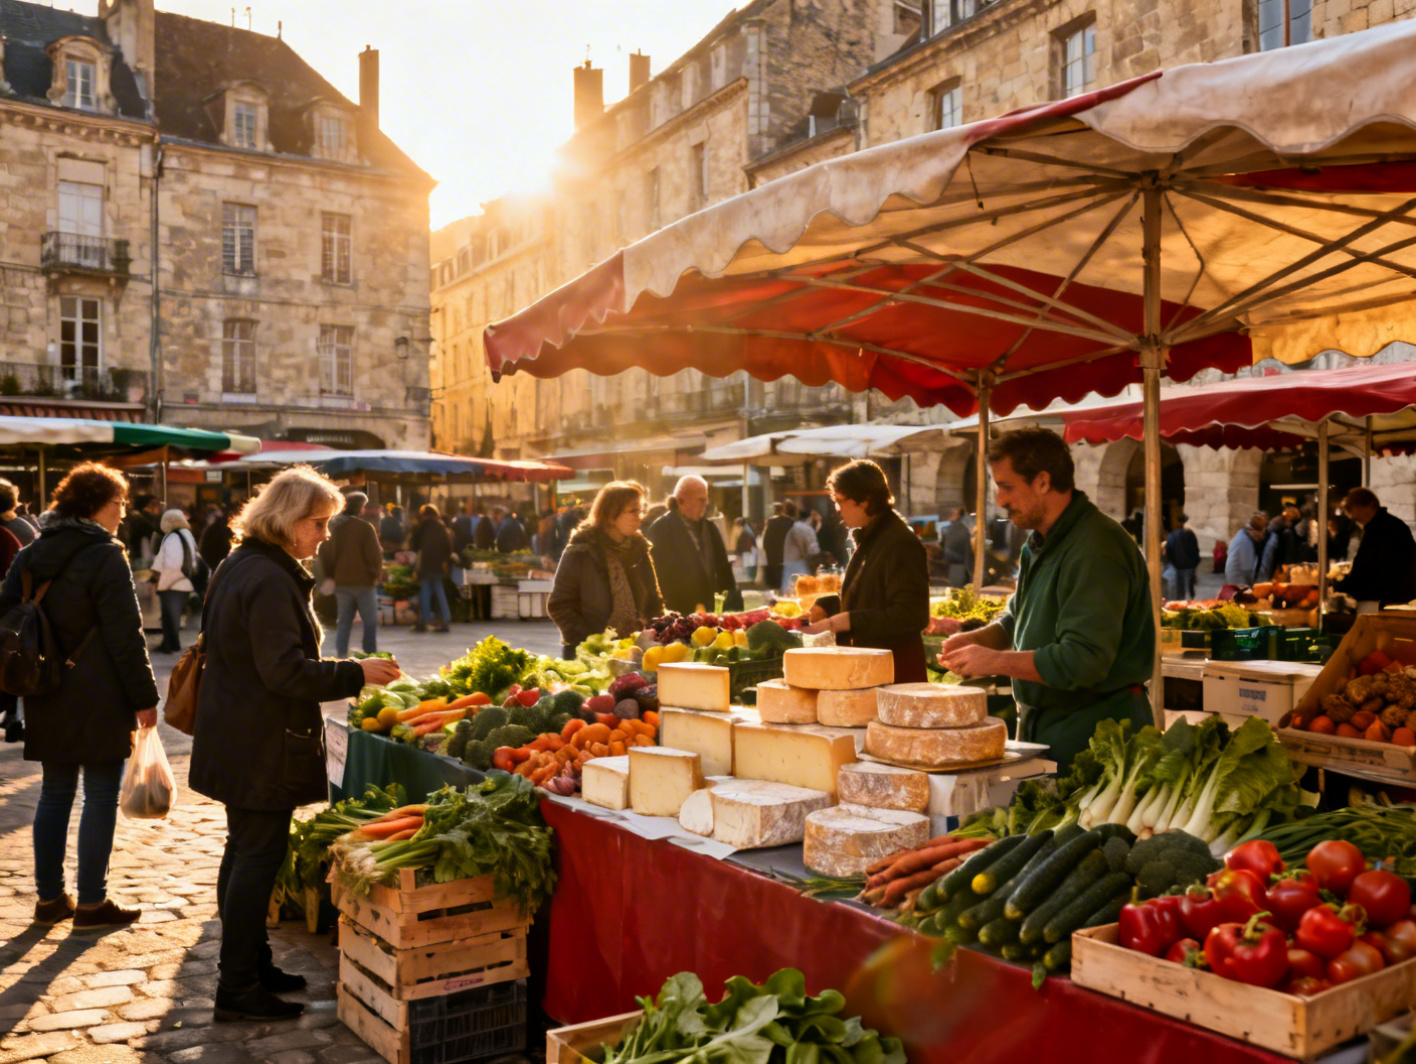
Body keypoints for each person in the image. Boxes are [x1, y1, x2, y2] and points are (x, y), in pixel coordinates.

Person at [189, 466, 400, 1021]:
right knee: (255, 858)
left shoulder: (247, 563)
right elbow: (284, 671)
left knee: (244, 854)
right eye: (318, 523)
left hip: (240, 732)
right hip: (258, 740)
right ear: (286, 520)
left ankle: (251, 965)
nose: (325, 535)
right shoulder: (265, 576)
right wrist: (355, 672)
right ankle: (237, 987)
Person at [0, 463, 158, 929]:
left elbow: (7, 610)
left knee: (54, 793)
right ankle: (91, 902)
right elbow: (126, 635)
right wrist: (145, 696)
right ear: (93, 506)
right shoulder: (106, 556)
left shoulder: (32, 552)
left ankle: (50, 899)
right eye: (118, 503)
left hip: (45, 687)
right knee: (101, 793)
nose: (123, 512)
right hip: (100, 690)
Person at [938, 428, 1154, 769]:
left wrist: (993, 662)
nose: (1000, 500)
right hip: (1049, 728)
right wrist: (978, 639)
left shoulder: (1096, 548)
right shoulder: (1039, 542)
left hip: (1098, 736)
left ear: (1042, 481)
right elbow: (1017, 617)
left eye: (1007, 487)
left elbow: (1082, 660)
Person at [802, 460, 930, 683]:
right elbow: (868, 596)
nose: (837, 508)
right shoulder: (871, 537)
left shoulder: (900, 543)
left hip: (896, 675)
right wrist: (829, 605)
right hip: (871, 670)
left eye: (841, 500)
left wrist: (842, 622)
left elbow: (911, 615)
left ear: (865, 500)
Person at [548, 481, 663, 657]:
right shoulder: (581, 552)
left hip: (634, 653)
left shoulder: (640, 550)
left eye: (641, 510)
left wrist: (651, 631)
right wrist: (589, 641)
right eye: (633, 511)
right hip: (588, 656)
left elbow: (655, 601)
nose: (639, 517)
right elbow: (559, 605)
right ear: (610, 515)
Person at [646, 476, 734, 615]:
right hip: (678, 614)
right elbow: (656, 576)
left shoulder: (710, 529)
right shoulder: (661, 529)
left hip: (709, 613)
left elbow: (723, 570)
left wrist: (731, 608)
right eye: (701, 499)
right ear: (681, 500)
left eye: (706, 498)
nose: (707, 503)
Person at [318, 491, 384, 657]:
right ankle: (370, 654)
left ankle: (341, 655)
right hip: (364, 582)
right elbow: (374, 555)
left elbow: (325, 553)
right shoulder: (365, 528)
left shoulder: (334, 528)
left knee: (344, 623)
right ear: (360, 508)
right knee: (370, 621)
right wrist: (375, 574)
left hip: (341, 582)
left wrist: (330, 575)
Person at [1335, 487, 1416, 612]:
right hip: (1386, 599)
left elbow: (1372, 569)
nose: (1349, 515)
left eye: (1350, 508)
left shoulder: (1385, 529)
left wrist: (1343, 586)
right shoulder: (1382, 526)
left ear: (1370, 506)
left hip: (1386, 602)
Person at [150, 509, 198, 654]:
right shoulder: (188, 534)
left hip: (172, 582)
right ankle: (171, 643)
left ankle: (170, 645)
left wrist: (162, 580)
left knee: (169, 615)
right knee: (174, 615)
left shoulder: (172, 537)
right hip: (185, 582)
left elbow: (169, 561)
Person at [410, 504, 453, 632]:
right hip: (438, 564)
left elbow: (414, 545)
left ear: (424, 515)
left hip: (425, 563)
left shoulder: (421, 527)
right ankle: (445, 619)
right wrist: (445, 561)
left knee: (425, 591)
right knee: (440, 591)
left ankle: (424, 620)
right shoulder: (441, 527)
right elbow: (448, 547)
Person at [779, 501, 820, 594]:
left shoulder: (781, 529)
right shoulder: (801, 528)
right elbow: (813, 551)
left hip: (788, 569)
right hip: (800, 567)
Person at [1224, 511, 1270, 587]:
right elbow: (1247, 569)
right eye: (1258, 536)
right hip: (1239, 582)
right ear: (1252, 531)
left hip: (1235, 579)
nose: (1259, 539)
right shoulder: (1245, 542)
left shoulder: (1241, 535)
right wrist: (1253, 586)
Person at [1164, 513, 1201, 600]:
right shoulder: (1190, 534)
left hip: (1178, 566)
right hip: (1189, 567)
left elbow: (1169, 549)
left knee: (1179, 592)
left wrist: (1170, 562)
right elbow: (1196, 550)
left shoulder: (1173, 535)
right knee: (1189, 590)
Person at [762, 502, 792, 594]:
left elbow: (765, 540)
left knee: (776, 582)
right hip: (787, 555)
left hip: (774, 556)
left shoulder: (770, 522)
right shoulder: (789, 521)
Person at [124, 493, 162, 563]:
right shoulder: (138, 518)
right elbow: (151, 532)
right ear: (145, 505)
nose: (157, 508)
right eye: (153, 504)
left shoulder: (140, 517)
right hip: (139, 557)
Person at [732, 517, 758, 583]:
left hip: (747, 556)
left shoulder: (745, 532)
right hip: (747, 555)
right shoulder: (747, 530)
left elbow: (747, 546)